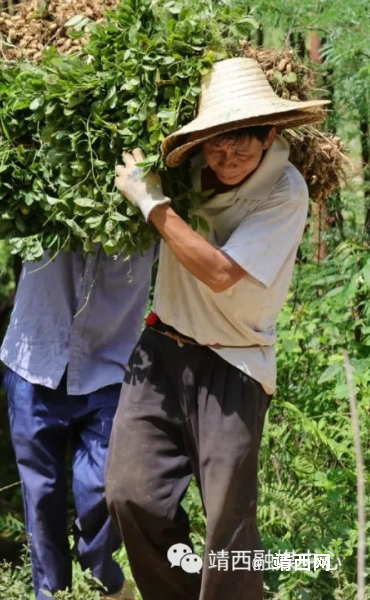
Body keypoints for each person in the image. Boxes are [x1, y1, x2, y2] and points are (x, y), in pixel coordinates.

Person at [106, 57, 329, 600]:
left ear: (270, 133)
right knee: (129, 495)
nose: (227, 159)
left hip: (235, 363)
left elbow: (221, 273)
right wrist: (150, 187)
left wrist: (150, 203)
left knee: (227, 525)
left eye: (242, 146)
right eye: (215, 146)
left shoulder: (285, 191)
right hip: (160, 350)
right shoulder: (182, 174)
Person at [1, 242, 150, 599]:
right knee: (41, 495)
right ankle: (51, 593)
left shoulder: (157, 197)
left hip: (111, 365)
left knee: (104, 489)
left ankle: (106, 580)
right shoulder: (36, 192)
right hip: (35, 359)